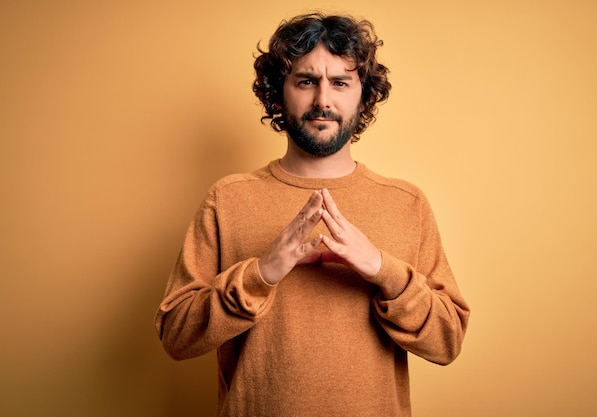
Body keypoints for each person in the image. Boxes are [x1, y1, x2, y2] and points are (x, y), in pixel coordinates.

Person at [155, 12, 470, 417]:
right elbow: (176, 337)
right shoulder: (228, 199)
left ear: (363, 96)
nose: (323, 100)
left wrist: (383, 270)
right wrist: (261, 273)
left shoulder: (407, 203)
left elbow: (447, 343)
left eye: (340, 82)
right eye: (306, 81)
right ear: (278, 94)